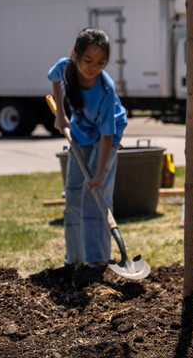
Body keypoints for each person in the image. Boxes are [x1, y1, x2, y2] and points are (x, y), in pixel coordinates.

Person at [48, 28, 128, 269]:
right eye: (88, 60)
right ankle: (74, 259)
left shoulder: (105, 90)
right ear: (74, 55)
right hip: (80, 134)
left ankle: (97, 260)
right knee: (73, 195)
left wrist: (98, 175)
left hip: (108, 137)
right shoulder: (66, 66)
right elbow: (55, 80)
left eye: (101, 62)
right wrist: (61, 115)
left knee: (94, 196)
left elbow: (106, 135)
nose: (93, 67)